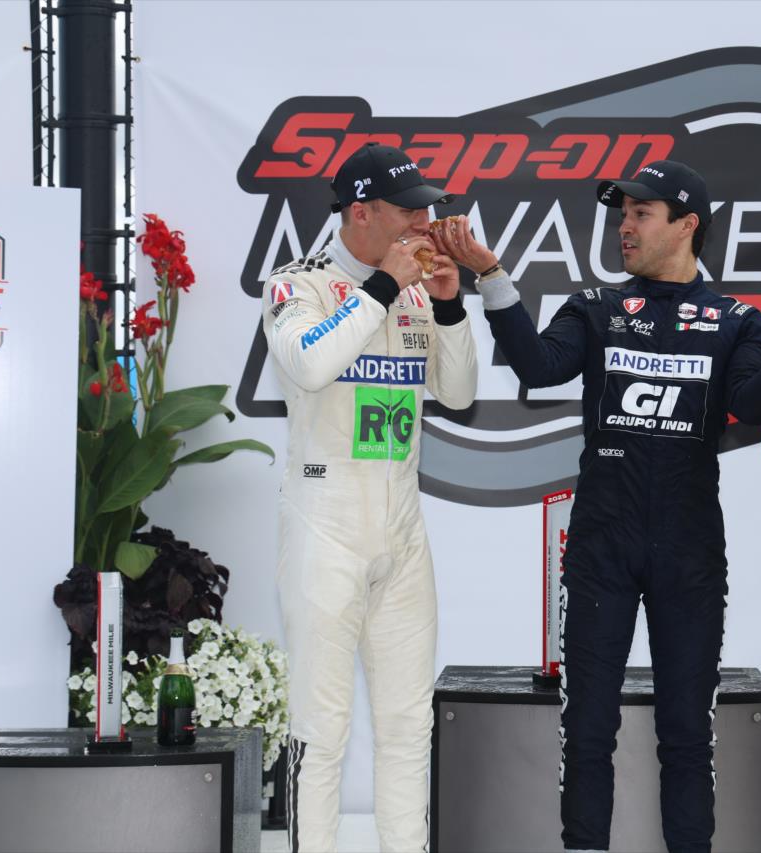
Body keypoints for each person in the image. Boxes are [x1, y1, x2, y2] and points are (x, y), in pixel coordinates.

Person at [431, 160, 761, 853]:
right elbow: (539, 365)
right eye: (621, 214)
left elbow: (753, 403)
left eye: (641, 214)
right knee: (588, 730)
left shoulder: (737, 322)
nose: (624, 226)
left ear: (687, 225)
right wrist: (491, 274)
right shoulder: (596, 306)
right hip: (602, 546)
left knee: (687, 735)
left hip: (689, 552)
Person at [261, 142, 477, 853]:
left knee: (409, 726)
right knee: (320, 729)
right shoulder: (298, 282)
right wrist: (382, 286)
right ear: (361, 211)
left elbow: (459, 393)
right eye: (408, 209)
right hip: (325, 526)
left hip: (402, 530)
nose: (424, 221)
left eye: (427, 208)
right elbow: (310, 363)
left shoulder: (416, 289)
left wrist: (448, 304)